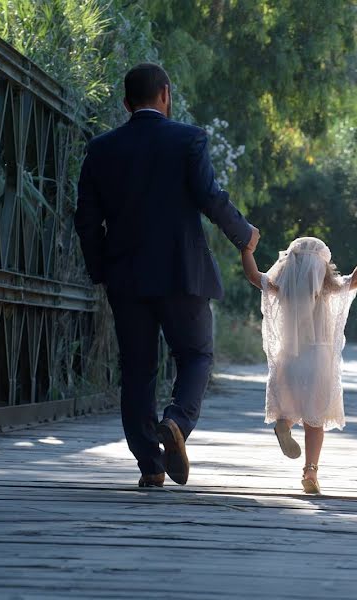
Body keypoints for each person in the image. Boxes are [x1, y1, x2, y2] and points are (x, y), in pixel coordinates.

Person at [74, 63, 260, 488]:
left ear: (125, 103)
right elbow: (210, 198)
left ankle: (150, 467)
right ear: (166, 94)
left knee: (137, 369)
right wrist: (244, 235)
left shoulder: (101, 149)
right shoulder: (188, 139)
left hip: (126, 276)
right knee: (195, 356)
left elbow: (86, 219)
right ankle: (175, 421)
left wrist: (101, 269)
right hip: (182, 272)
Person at [241, 237, 357, 494]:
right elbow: (355, 280)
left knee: (291, 408)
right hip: (318, 363)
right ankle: (310, 471)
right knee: (315, 422)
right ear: (322, 268)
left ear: (288, 266)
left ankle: (285, 423)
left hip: (289, 361)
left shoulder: (282, 288)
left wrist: (246, 250)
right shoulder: (327, 289)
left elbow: (253, 275)